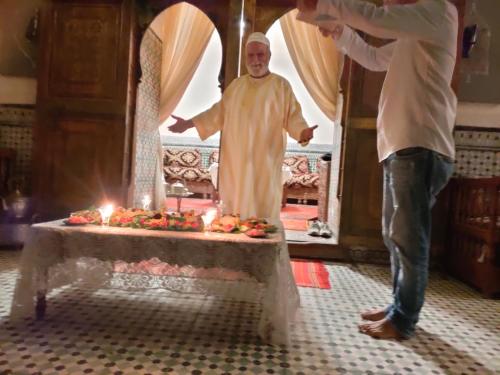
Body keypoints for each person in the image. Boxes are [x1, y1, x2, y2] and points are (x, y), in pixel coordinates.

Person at [297, 0, 458, 339]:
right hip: (402, 146)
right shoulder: (414, 31)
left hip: (421, 145)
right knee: (395, 235)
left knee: (409, 239)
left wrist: (327, 6)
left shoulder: (438, 11)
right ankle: (399, 306)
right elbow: (372, 58)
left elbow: (376, 19)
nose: (385, 1)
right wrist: (340, 31)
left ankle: (403, 320)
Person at [169, 32, 318, 221]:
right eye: (251, 55)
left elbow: (294, 117)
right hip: (236, 163)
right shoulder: (236, 86)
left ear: (269, 55)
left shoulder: (281, 86)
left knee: (263, 214)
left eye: (260, 55)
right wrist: (188, 124)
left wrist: (303, 132)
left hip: (265, 162)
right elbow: (216, 113)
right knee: (235, 214)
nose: (255, 60)